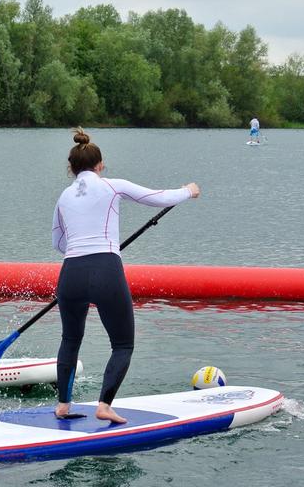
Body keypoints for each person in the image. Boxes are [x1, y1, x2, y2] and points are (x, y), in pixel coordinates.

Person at [51, 129, 200, 424]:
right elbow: (155, 198)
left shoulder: (63, 197)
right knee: (122, 345)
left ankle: (63, 406)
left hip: (70, 274)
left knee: (70, 338)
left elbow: (58, 242)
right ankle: (104, 405)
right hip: (105, 269)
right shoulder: (112, 186)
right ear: (100, 165)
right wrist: (187, 191)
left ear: (71, 168)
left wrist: (83, 249)